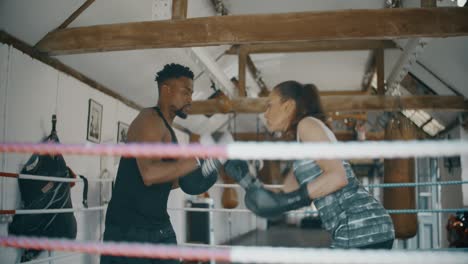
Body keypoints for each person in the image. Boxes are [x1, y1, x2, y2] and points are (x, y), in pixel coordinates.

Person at [224, 80, 395, 249]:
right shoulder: (302, 150)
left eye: (269, 105)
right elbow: (284, 196)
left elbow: (337, 176)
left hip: (360, 224)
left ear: (288, 106)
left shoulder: (307, 124)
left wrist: (295, 198)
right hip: (359, 227)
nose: (266, 113)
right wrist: (248, 180)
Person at [101, 63, 224, 264]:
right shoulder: (149, 119)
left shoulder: (169, 130)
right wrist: (197, 158)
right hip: (129, 232)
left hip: (158, 227)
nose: (190, 99)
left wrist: (203, 170)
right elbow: (149, 174)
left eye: (191, 94)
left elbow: (171, 180)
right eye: (186, 92)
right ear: (166, 90)